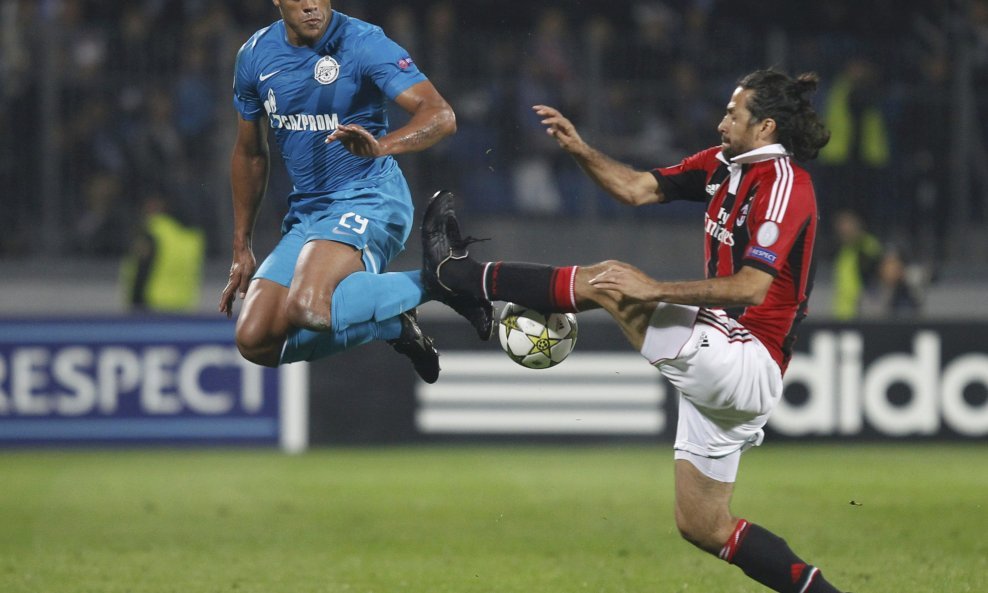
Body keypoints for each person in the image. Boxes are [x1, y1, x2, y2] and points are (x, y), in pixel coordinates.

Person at [423, 70, 848, 593]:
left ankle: (461, 276)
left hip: (747, 358)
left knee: (614, 283)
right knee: (703, 526)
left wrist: (656, 289)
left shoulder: (785, 185)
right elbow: (635, 187)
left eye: (732, 115)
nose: (720, 123)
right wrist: (580, 149)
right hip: (720, 357)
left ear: (765, 128)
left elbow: (752, 287)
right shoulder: (722, 166)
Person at [219, 0, 494, 384]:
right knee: (255, 340)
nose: (313, 4)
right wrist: (240, 245)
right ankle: (395, 326)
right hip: (310, 214)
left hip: (372, 196)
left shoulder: (363, 42)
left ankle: (442, 281)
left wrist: (382, 145)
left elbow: (441, 116)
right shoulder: (254, 55)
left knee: (309, 307)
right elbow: (250, 153)